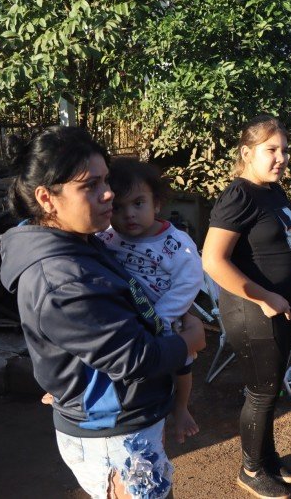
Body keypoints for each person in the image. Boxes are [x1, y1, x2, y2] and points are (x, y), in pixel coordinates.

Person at [0, 126, 199, 499]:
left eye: (105, 179)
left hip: (119, 420)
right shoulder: (62, 278)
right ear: (47, 198)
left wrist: (61, 381)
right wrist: (189, 340)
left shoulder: (79, 241)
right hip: (115, 436)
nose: (108, 193)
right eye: (90, 185)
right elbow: (135, 358)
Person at [202, 115, 291, 499]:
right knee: (262, 392)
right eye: (271, 150)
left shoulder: (273, 191)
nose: (280, 158)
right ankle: (251, 469)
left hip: (281, 304)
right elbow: (213, 260)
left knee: (271, 389)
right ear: (246, 152)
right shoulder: (240, 194)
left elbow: (275, 244)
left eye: (284, 150)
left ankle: (266, 457)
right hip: (253, 312)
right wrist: (265, 296)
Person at [97, 157, 206, 444]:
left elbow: (190, 280)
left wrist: (163, 315)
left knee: (182, 361)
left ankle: (181, 408)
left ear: (156, 203)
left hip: (164, 315)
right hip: (127, 318)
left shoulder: (175, 243)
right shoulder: (107, 237)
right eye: (118, 208)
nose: (128, 215)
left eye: (138, 203)